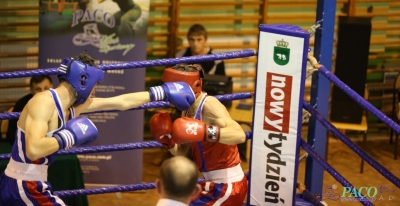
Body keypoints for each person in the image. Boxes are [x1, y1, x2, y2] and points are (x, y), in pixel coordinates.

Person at [0, 52, 196, 205]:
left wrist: (160, 93)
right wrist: (69, 136)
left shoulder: (71, 106)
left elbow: (120, 102)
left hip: (32, 182)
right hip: (23, 184)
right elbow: (33, 149)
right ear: (83, 80)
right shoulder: (43, 102)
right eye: (95, 84)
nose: (95, 90)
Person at [150, 64, 248, 205]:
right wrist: (168, 141)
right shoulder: (186, 109)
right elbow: (182, 152)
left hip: (228, 185)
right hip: (212, 184)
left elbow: (239, 135)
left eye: (171, 90)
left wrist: (204, 132)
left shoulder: (209, 106)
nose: (168, 96)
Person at [6, 76, 53, 145]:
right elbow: (11, 134)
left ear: (52, 87)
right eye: (38, 89)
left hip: (53, 146)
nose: (43, 93)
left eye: (46, 88)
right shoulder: (22, 105)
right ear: (31, 90)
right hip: (28, 147)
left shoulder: (59, 102)